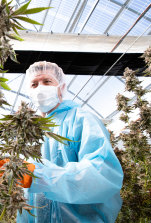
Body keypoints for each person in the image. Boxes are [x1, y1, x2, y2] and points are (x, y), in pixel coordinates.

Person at [13, 61, 123, 222]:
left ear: (61, 88)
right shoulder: (31, 134)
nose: (40, 88)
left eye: (47, 81)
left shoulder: (82, 119)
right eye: (34, 84)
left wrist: (40, 177)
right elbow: (26, 197)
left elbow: (101, 175)